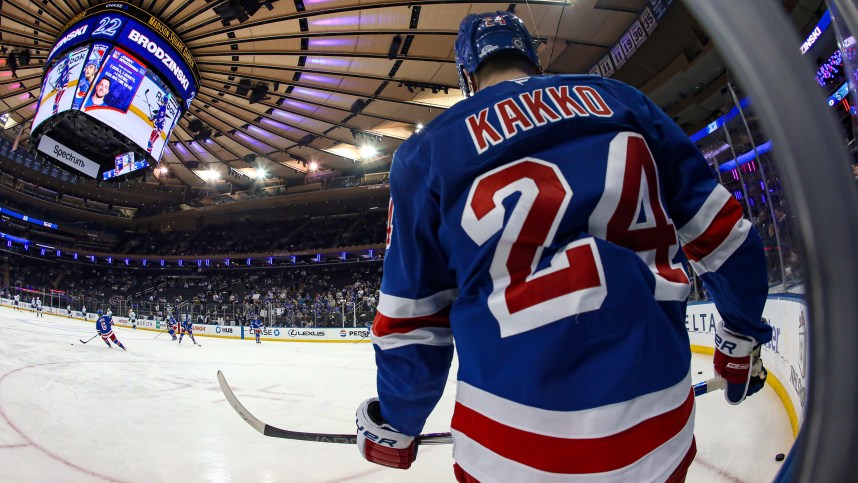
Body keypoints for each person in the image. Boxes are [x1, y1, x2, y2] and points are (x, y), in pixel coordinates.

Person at [354, 11, 772, 483]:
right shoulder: (623, 101)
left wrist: (398, 424)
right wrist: (740, 336)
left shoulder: (425, 153)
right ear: (532, 56)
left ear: (467, 74)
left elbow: (411, 324)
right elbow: (726, 238)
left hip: (511, 445)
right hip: (657, 425)